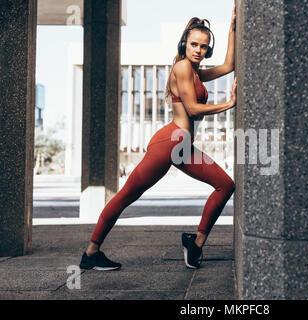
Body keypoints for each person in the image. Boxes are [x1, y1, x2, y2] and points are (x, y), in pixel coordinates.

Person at [79, 6, 237, 271]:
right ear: (184, 44)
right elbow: (194, 109)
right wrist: (228, 103)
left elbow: (229, 65)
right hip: (169, 143)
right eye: (194, 44)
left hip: (182, 145)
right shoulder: (184, 67)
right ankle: (91, 252)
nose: (198, 50)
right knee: (128, 194)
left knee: (225, 185)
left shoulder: (196, 71)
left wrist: (233, 25)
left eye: (204, 46)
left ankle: (195, 244)